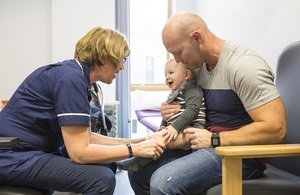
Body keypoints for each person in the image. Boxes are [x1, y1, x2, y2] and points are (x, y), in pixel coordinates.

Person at [128, 12, 287, 195]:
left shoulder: (243, 65)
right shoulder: (199, 67)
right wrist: (175, 109)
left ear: (197, 38)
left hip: (241, 156)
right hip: (206, 146)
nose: (178, 61)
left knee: (163, 183)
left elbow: (277, 128)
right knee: (138, 171)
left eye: (178, 52)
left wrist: (214, 139)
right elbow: (197, 106)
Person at [0, 27, 167, 195]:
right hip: (14, 157)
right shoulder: (71, 79)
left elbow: (88, 137)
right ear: (103, 57)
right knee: (101, 179)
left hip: (30, 151)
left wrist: (139, 141)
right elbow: (79, 153)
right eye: (122, 59)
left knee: (107, 163)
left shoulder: (74, 75)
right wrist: (134, 150)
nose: (122, 67)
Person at [116, 58, 205, 171]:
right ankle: (136, 157)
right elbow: (169, 115)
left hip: (191, 129)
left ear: (186, 74)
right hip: (179, 128)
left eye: (171, 73)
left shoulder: (193, 89)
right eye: (165, 75)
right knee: (156, 139)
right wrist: (163, 125)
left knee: (157, 141)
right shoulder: (176, 92)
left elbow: (192, 110)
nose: (167, 77)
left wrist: (174, 127)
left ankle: (138, 162)